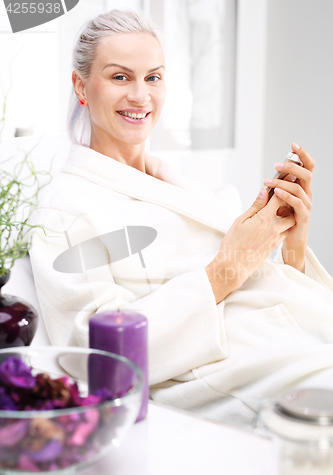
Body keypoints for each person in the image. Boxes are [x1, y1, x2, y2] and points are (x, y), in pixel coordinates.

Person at [28, 9, 333, 431]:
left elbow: (265, 282)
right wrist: (230, 266)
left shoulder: (183, 186)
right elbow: (98, 355)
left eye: (153, 77)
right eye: (120, 77)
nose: (140, 96)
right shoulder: (66, 210)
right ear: (81, 86)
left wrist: (290, 243)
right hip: (220, 372)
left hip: (293, 337)